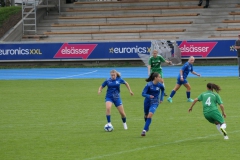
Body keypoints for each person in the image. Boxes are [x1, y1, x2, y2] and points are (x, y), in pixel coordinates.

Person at [141, 72, 165, 136]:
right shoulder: (148, 85)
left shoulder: (160, 85)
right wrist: (149, 96)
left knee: (150, 115)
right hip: (147, 102)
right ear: (155, 78)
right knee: (146, 115)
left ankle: (144, 131)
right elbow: (143, 94)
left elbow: (163, 90)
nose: (160, 78)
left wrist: (161, 98)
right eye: (159, 77)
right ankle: (147, 125)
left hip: (155, 102)